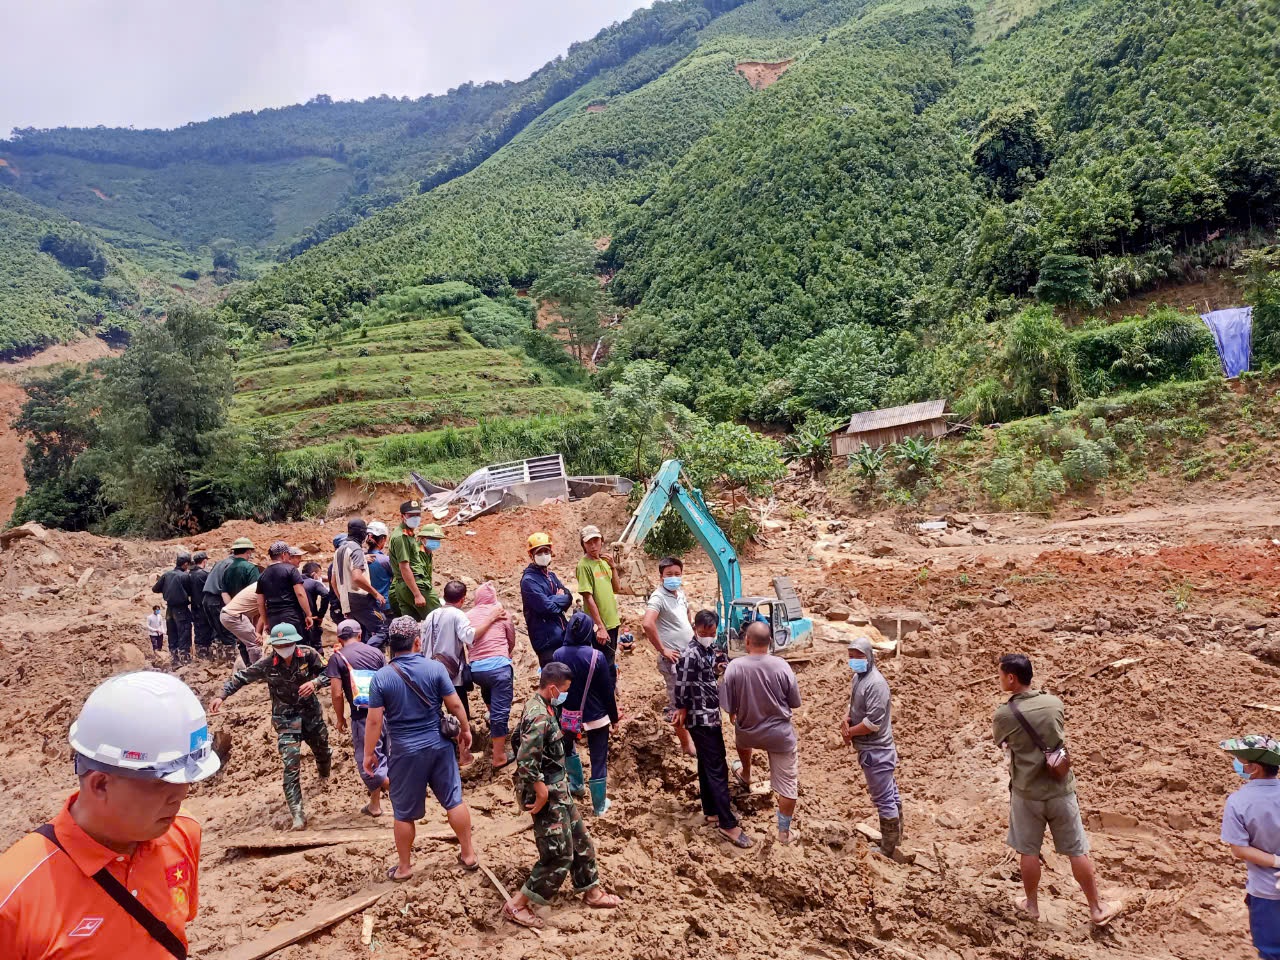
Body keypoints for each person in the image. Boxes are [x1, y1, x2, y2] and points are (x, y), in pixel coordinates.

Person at [0, 672, 220, 959]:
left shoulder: (183, 832)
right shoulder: (13, 894)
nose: (181, 795)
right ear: (101, 784)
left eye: (188, 780)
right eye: (163, 782)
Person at [993, 653, 1117, 925]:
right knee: (1076, 850)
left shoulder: (1004, 714)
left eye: (1000, 674)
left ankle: (1032, 905)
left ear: (1011, 678)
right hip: (1061, 789)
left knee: (1028, 850)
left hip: (1027, 792)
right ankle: (1096, 908)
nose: (999, 679)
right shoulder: (1054, 703)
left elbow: (1002, 743)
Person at [503, 662, 622, 929]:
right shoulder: (539, 716)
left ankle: (591, 891)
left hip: (560, 790)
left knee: (581, 841)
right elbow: (525, 760)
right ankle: (517, 905)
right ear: (553, 687)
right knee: (557, 855)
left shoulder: (543, 706)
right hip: (549, 793)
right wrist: (541, 791)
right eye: (564, 690)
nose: (565, 694)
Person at [365, 616, 476, 880]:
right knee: (453, 800)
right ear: (417, 642)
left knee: (403, 813)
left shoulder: (381, 678)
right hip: (438, 746)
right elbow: (455, 705)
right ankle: (469, 854)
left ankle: (404, 868)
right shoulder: (435, 669)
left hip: (404, 751)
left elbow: (374, 720)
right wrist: (466, 729)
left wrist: (369, 754)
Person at [210, 624, 332, 830]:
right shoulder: (267, 664)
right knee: (290, 766)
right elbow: (241, 678)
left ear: (295, 642)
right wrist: (221, 696)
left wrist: (316, 683)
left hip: (311, 716)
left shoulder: (309, 655)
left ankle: (324, 776)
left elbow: (330, 673)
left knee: (323, 751)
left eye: (288, 643)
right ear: (274, 646)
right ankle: (297, 815)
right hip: (286, 721)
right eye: (280, 644)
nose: (285, 648)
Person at [674, 610, 751, 847]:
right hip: (701, 719)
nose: (708, 636)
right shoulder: (689, 654)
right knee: (717, 766)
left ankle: (711, 810)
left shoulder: (710, 649)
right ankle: (728, 824)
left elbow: (719, 663)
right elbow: (681, 686)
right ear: (695, 628)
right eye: (704, 632)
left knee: (708, 763)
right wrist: (682, 709)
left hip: (710, 715)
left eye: (712, 632)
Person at [722, 620, 802, 845]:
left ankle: (746, 773)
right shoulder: (782, 666)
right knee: (788, 785)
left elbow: (729, 707)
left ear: (747, 641)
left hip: (748, 732)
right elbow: (794, 702)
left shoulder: (735, 667)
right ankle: (784, 833)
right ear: (770, 642)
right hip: (780, 736)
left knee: (740, 735)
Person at [843, 636, 904, 859]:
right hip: (871, 750)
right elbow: (853, 706)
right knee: (891, 793)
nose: (854, 660)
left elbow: (872, 724)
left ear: (869, 657)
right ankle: (896, 839)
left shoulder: (875, 684)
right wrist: (846, 719)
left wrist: (850, 732)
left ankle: (888, 848)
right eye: (851, 656)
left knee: (884, 798)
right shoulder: (858, 679)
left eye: (858, 656)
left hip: (877, 751)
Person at [553, 612, 620, 815]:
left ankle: (576, 784)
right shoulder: (596, 657)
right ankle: (599, 805)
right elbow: (606, 691)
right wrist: (614, 717)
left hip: (569, 714)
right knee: (598, 758)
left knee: (569, 748)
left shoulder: (558, 655)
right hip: (597, 716)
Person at [1220, 734, 1280, 958]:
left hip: (1267, 893)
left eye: (1241, 762)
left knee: (1272, 951)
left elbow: (1240, 850)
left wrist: (1277, 861)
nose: (1238, 765)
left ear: (1254, 768)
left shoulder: (1238, 802)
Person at [328, 619, 390, 817]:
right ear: (360, 634)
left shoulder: (337, 658)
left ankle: (406, 794)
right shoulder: (377, 653)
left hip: (363, 716)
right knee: (384, 759)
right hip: (387, 713)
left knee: (369, 762)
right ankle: (375, 805)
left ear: (339, 638)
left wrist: (340, 718)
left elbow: (336, 694)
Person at [421, 580, 505, 722]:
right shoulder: (457, 614)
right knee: (460, 715)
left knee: (432, 713)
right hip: (451, 674)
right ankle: (463, 741)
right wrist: (490, 619)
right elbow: (470, 636)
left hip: (429, 671)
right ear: (462, 599)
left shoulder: (431, 615)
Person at [643, 556, 696, 757]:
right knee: (678, 703)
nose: (673, 578)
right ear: (661, 577)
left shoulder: (679, 594)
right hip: (673, 660)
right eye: (669, 575)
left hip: (687, 658)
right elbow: (647, 624)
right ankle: (685, 745)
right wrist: (663, 649)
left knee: (689, 700)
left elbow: (687, 613)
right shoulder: (658, 597)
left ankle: (690, 737)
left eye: (677, 574)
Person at [468, 582, 518, 768]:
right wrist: (505, 652)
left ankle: (492, 719)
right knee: (501, 711)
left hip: (476, 671)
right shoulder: (502, 613)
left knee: (487, 689)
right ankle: (499, 757)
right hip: (499, 668)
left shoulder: (468, 616)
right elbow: (511, 639)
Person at [521, 532, 572, 667]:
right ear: (531, 555)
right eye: (539, 553)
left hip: (562, 637)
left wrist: (557, 599)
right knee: (555, 684)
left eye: (546, 551)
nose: (544, 556)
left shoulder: (551, 576)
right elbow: (547, 607)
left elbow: (569, 597)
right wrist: (559, 598)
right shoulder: (529, 581)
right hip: (547, 644)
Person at [576, 525, 622, 668]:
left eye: (596, 541)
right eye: (589, 542)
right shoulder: (584, 566)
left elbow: (617, 588)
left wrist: (613, 567)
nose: (593, 545)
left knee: (610, 661)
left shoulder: (604, 562)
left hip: (612, 621)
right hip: (601, 626)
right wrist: (600, 626)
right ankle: (606, 690)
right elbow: (588, 597)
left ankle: (611, 688)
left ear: (602, 541)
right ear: (583, 545)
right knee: (603, 665)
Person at [334, 518, 386, 642]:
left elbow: (333, 581)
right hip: (359, 598)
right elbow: (357, 577)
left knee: (359, 634)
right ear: (362, 533)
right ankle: (368, 655)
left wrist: (343, 600)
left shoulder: (339, 550)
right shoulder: (356, 550)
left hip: (346, 599)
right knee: (382, 628)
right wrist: (376, 593)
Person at [203, 538, 256, 658]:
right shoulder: (233, 566)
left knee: (218, 631)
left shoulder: (220, 562)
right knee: (229, 633)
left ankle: (219, 659)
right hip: (219, 599)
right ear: (247, 552)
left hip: (207, 599)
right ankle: (231, 661)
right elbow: (228, 587)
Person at [388, 501, 439, 620]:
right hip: (414, 584)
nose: (415, 518)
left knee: (411, 628)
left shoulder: (407, 534)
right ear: (402, 516)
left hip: (404, 586)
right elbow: (404, 567)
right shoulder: (401, 536)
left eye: (418, 514)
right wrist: (417, 594)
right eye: (411, 515)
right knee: (439, 619)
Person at [256, 541, 314, 638]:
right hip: (291, 616)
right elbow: (300, 594)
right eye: (288, 554)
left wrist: (266, 622)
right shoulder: (291, 570)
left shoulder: (262, 575)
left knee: (279, 647)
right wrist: (308, 614)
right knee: (296, 646)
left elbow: (260, 602)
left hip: (273, 618)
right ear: (284, 554)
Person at [152, 550, 194, 665]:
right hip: (181, 609)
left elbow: (155, 589)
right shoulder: (185, 576)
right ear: (185, 564)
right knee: (184, 634)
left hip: (169, 610)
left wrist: (167, 589)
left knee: (172, 634)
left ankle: (174, 661)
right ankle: (185, 661)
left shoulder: (166, 575)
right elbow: (191, 592)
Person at [220, 582, 266, 666]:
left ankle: (250, 667)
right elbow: (264, 611)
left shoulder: (261, 583)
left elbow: (258, 613)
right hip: (234, 616)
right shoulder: (267, 585)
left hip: (230, 614)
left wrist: (257, 631)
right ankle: (258, 672)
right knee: (255, 643)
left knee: (251, 642)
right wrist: (258, 632)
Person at [366, 521, 394, 642]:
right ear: (382, 539)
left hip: (368, 605)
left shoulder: (361, 558)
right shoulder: (385, 560)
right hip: (385, 604)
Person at [189, 551, 215, 659]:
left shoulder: (189, 574)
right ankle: (206, 656)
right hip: (205, 607)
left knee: (198, 631)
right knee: (207, 631)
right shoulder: (205, 574)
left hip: (194, 607)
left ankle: (200, 655)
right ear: (204, 561)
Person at [301, 561, 331, 650]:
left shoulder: (294, 582)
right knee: (315, 646)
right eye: (320, 575)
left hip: (296, 618)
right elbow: (325, 594)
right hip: (312, 619)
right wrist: (320, 615)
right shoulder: (314, 583)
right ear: (314, 574)